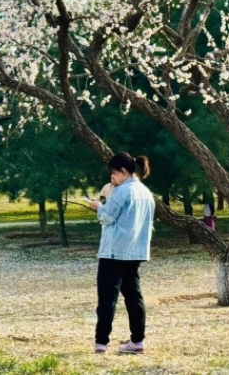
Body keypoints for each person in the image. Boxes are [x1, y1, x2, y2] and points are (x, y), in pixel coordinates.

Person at [86, 152, 155, 355]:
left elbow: (107, 217)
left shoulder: (122, 192)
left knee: (108, 298)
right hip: (135, 252)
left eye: (114, 174)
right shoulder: (145, 192)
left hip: (114, 252)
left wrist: (98, 206)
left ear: (124, 171)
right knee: (134, 297)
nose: (112, 178)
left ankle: (101, 343)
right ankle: (137, 341)